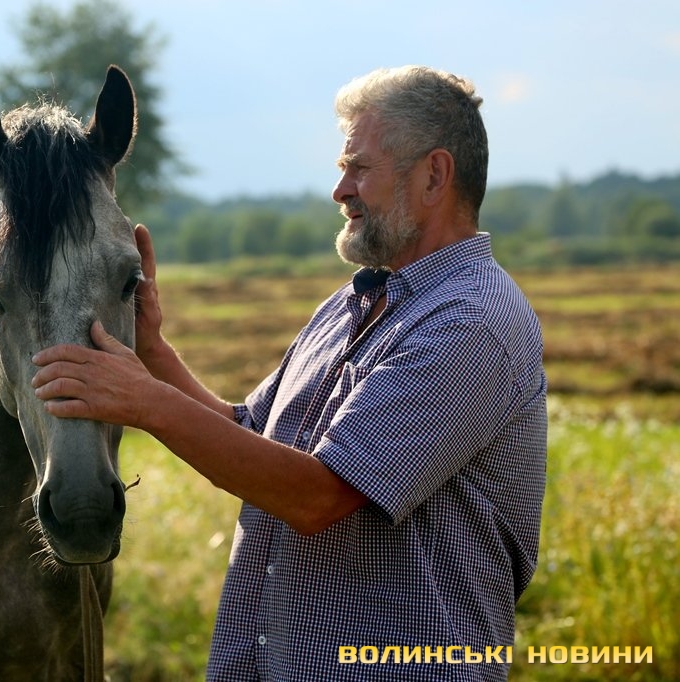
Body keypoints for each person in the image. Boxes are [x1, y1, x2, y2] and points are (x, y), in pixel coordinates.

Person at [32, 65, 547, 681]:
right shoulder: (354, 303)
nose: (340, 190)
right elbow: (252, 436)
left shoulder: (471, 321)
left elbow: (316, 496)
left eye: (358, 168)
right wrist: (153, 353)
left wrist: (145, 402)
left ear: (434, 175)